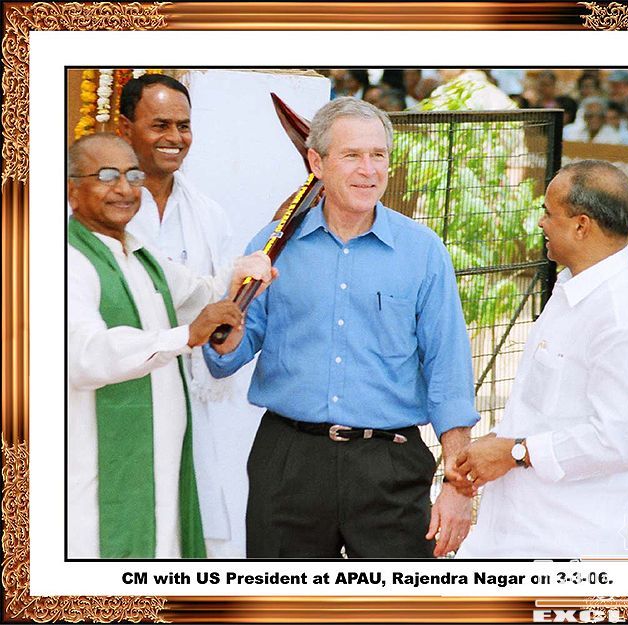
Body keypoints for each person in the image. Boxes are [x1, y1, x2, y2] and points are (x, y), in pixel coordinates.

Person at [203, 97, 479, 559]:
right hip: (289, 462)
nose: (368, 171)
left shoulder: (423, 251)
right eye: (352, 155)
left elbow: (449, 374)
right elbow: (226, 356)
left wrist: (458, 486)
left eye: (378, 155)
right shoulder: (273, 245)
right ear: (317, 162)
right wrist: (228, 318)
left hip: (389, 465)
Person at [455, 160, 628, 558]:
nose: (541, 222)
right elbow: (551, 409)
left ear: (581, 226)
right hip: (526, 531)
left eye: (548, 212)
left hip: (582, 545)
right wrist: (503, 440)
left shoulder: (626, 318)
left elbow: (617, 440)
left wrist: (515, 452)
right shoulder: (574, 287)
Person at [67, 133, 271, 558]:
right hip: (96, 469)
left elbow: (201, 293)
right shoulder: (68, 261)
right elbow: (86, 355)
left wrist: (244, 272)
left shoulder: (142, 255)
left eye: (133, 176)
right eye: (107, 176)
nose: (124, 189)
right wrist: (185, 335)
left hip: (162, 466)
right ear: (72, 190)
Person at [119, 73, 257, 558]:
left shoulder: (208, 214)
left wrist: (227, 329)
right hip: (116, 392)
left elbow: (222, 307)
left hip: (188, 398)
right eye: (160, 125)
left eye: (184, 126)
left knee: (184, 533)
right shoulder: (97, 211)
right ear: (126, 127)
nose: (174, 138)